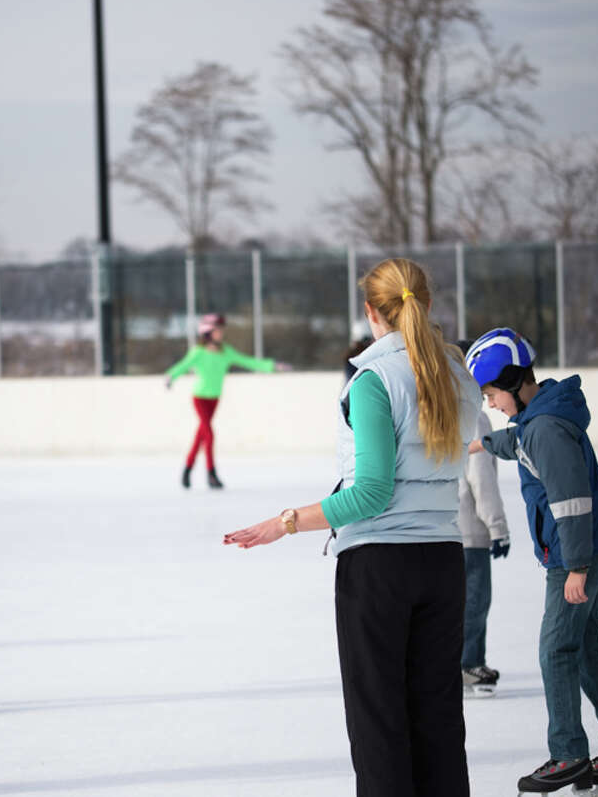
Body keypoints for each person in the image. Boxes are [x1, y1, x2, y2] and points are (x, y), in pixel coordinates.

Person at [225, 258, 480, 797]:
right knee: (437, 720)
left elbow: (370, 493)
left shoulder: (374, 380)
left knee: (379, 722)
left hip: (379, 570)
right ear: (428, 305)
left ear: (370, 313)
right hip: (443, 562)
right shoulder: (459, 375)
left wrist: (287, 522)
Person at [464, 328, 598, 795]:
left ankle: (568, 754)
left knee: (556, 650)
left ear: (511, 380)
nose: (490, 404)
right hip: (588, 546)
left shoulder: (544, 427)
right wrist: (484, 445)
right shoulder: (541, 417)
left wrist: (577, 568)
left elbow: (572, 502)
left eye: (491, 394)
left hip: (575, 552)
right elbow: (520, 443)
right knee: (585, 647)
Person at [165, 313, 285, 489]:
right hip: (200, 398)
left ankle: (187, 469)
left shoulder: (225, 352)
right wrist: (171, 376)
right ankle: (211, 473)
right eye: (217, 330)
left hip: (215, 398)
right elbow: (183, 365)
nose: (221, 334)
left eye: (221, 330)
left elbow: (248, 361)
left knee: (201, 435)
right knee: (209, 433)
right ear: (207, 332)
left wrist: (272, 366)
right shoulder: (198, 352)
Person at [452, 344, 510, 697]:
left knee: (451, 602)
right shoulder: (474, 413)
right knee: (475, 599)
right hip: (470, 527)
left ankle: (451, 664)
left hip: (440, 525)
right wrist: (498, 527)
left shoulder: (437, 407)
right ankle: (468, 663)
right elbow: (481, 478)